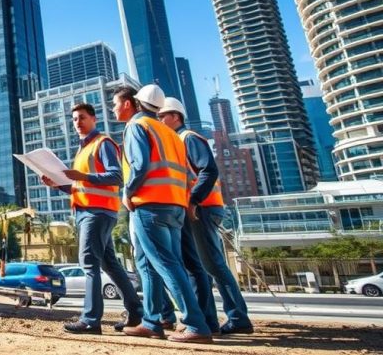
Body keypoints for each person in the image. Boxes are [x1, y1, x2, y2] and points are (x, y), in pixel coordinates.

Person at [115, 84, 213, 343]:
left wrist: (127, 192)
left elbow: (139, 165)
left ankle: (196, 324)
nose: (115, 108)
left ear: (134, 103)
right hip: (175, 206)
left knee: (166, 264)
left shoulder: (138, 126)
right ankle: (151, 322)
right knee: (148, 264)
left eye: (116, 103)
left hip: (149, 204)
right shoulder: (169, 132)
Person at [42, 102, 142, 334]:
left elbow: (116, 176)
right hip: (91, 211)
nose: (78, 122)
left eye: (82, 118)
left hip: (97, 213)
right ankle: (136, 313)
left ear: (94, 119)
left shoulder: (102, 143)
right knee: (111, 265)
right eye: (74, 119)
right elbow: (80, 186)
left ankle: (90, 320)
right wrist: (58, 184)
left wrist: (83, 176)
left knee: (88, 263)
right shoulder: (83, 149)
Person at [159, 97, 254, 335]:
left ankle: (238, 317)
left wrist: (193, 200)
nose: (160, 120)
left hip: (202, 208)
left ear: (176, 117)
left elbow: (208, 170)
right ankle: (210, 318)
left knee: (212, 265)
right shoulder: (178, 140)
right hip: (198, 208)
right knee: (204, 265)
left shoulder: (188, 138)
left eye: (163, 116)